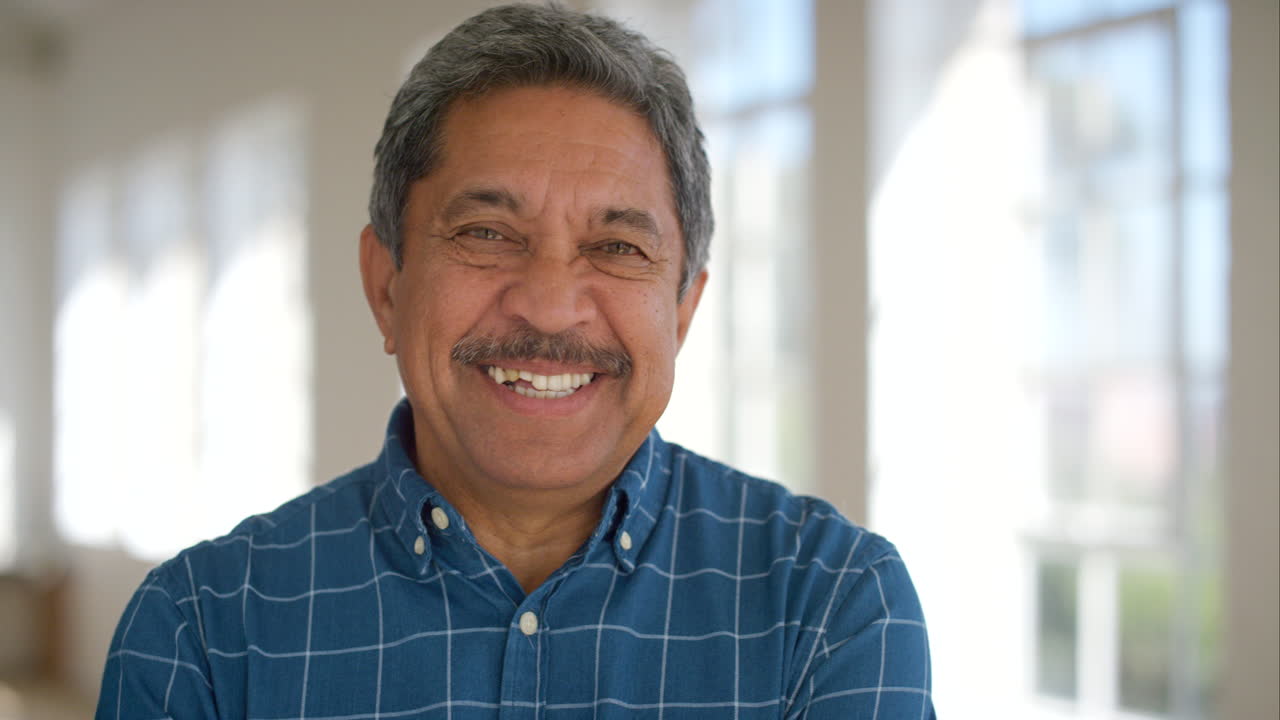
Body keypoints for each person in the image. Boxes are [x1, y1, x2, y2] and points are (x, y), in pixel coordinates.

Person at [96, 4, 934, 718]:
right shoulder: (201, 632)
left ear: (683, 310)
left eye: (616, 246)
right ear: (385, 284)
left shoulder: (831, 608)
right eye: (487, 234)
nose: (549, 304)